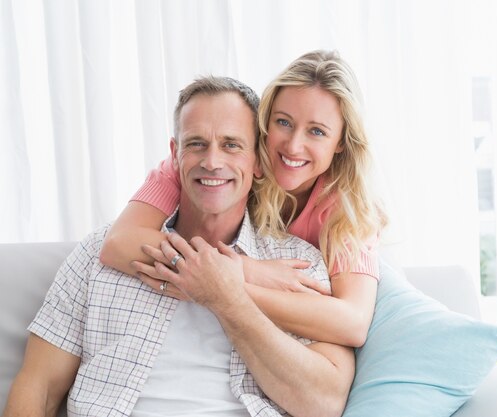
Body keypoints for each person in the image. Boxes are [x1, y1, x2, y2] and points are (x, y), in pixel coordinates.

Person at [3, 76, 354, 417]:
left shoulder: (297, 265)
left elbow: (323, 404)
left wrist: (227, 297)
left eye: (231, 145)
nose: (212, 161)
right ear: (175, 154)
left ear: (259, 161)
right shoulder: (101, 253)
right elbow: (39, 387)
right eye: (197, 143)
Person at [100, 50, 387, 348]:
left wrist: (222, 288)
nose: (293, 145)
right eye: (284, 122)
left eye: (316, 131)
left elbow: (352, 323)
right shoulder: (217, 165)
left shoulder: (349, 209)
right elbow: (119, 242)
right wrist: (247, 270)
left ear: (341, 141)